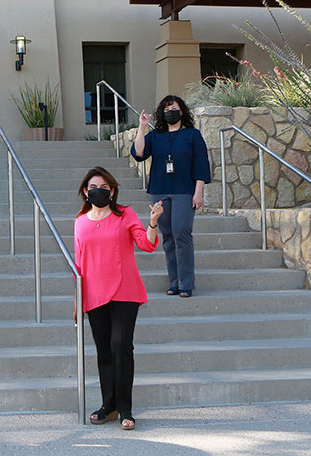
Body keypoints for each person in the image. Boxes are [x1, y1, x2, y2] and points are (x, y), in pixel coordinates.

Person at [73, 166, 163, 430]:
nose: (97, 191)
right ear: (85, 192)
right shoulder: (79, 222)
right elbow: (79, 265)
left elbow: (146, 244)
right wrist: (77, 301)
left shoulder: (125, 215)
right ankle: (108, 406)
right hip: (94, 293)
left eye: (102, 187)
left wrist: (153, 222)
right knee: (104, 351)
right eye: (92, 188)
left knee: (121, 346)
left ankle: (125, 409)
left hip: (125, 290)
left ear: (111, 190)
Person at [131, 95, 211, 298]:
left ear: (182, 111)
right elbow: (139, 153)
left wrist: (198, 191)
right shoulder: (155, 136)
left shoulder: (192, 135)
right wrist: (142, 127)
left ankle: (186, 283)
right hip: (159, 190)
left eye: (173, 108)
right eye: (166, 110)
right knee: (167, 236)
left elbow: (201, 163)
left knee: (182, 234)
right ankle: (174, 282)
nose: (170, 112)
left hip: (184, 191)